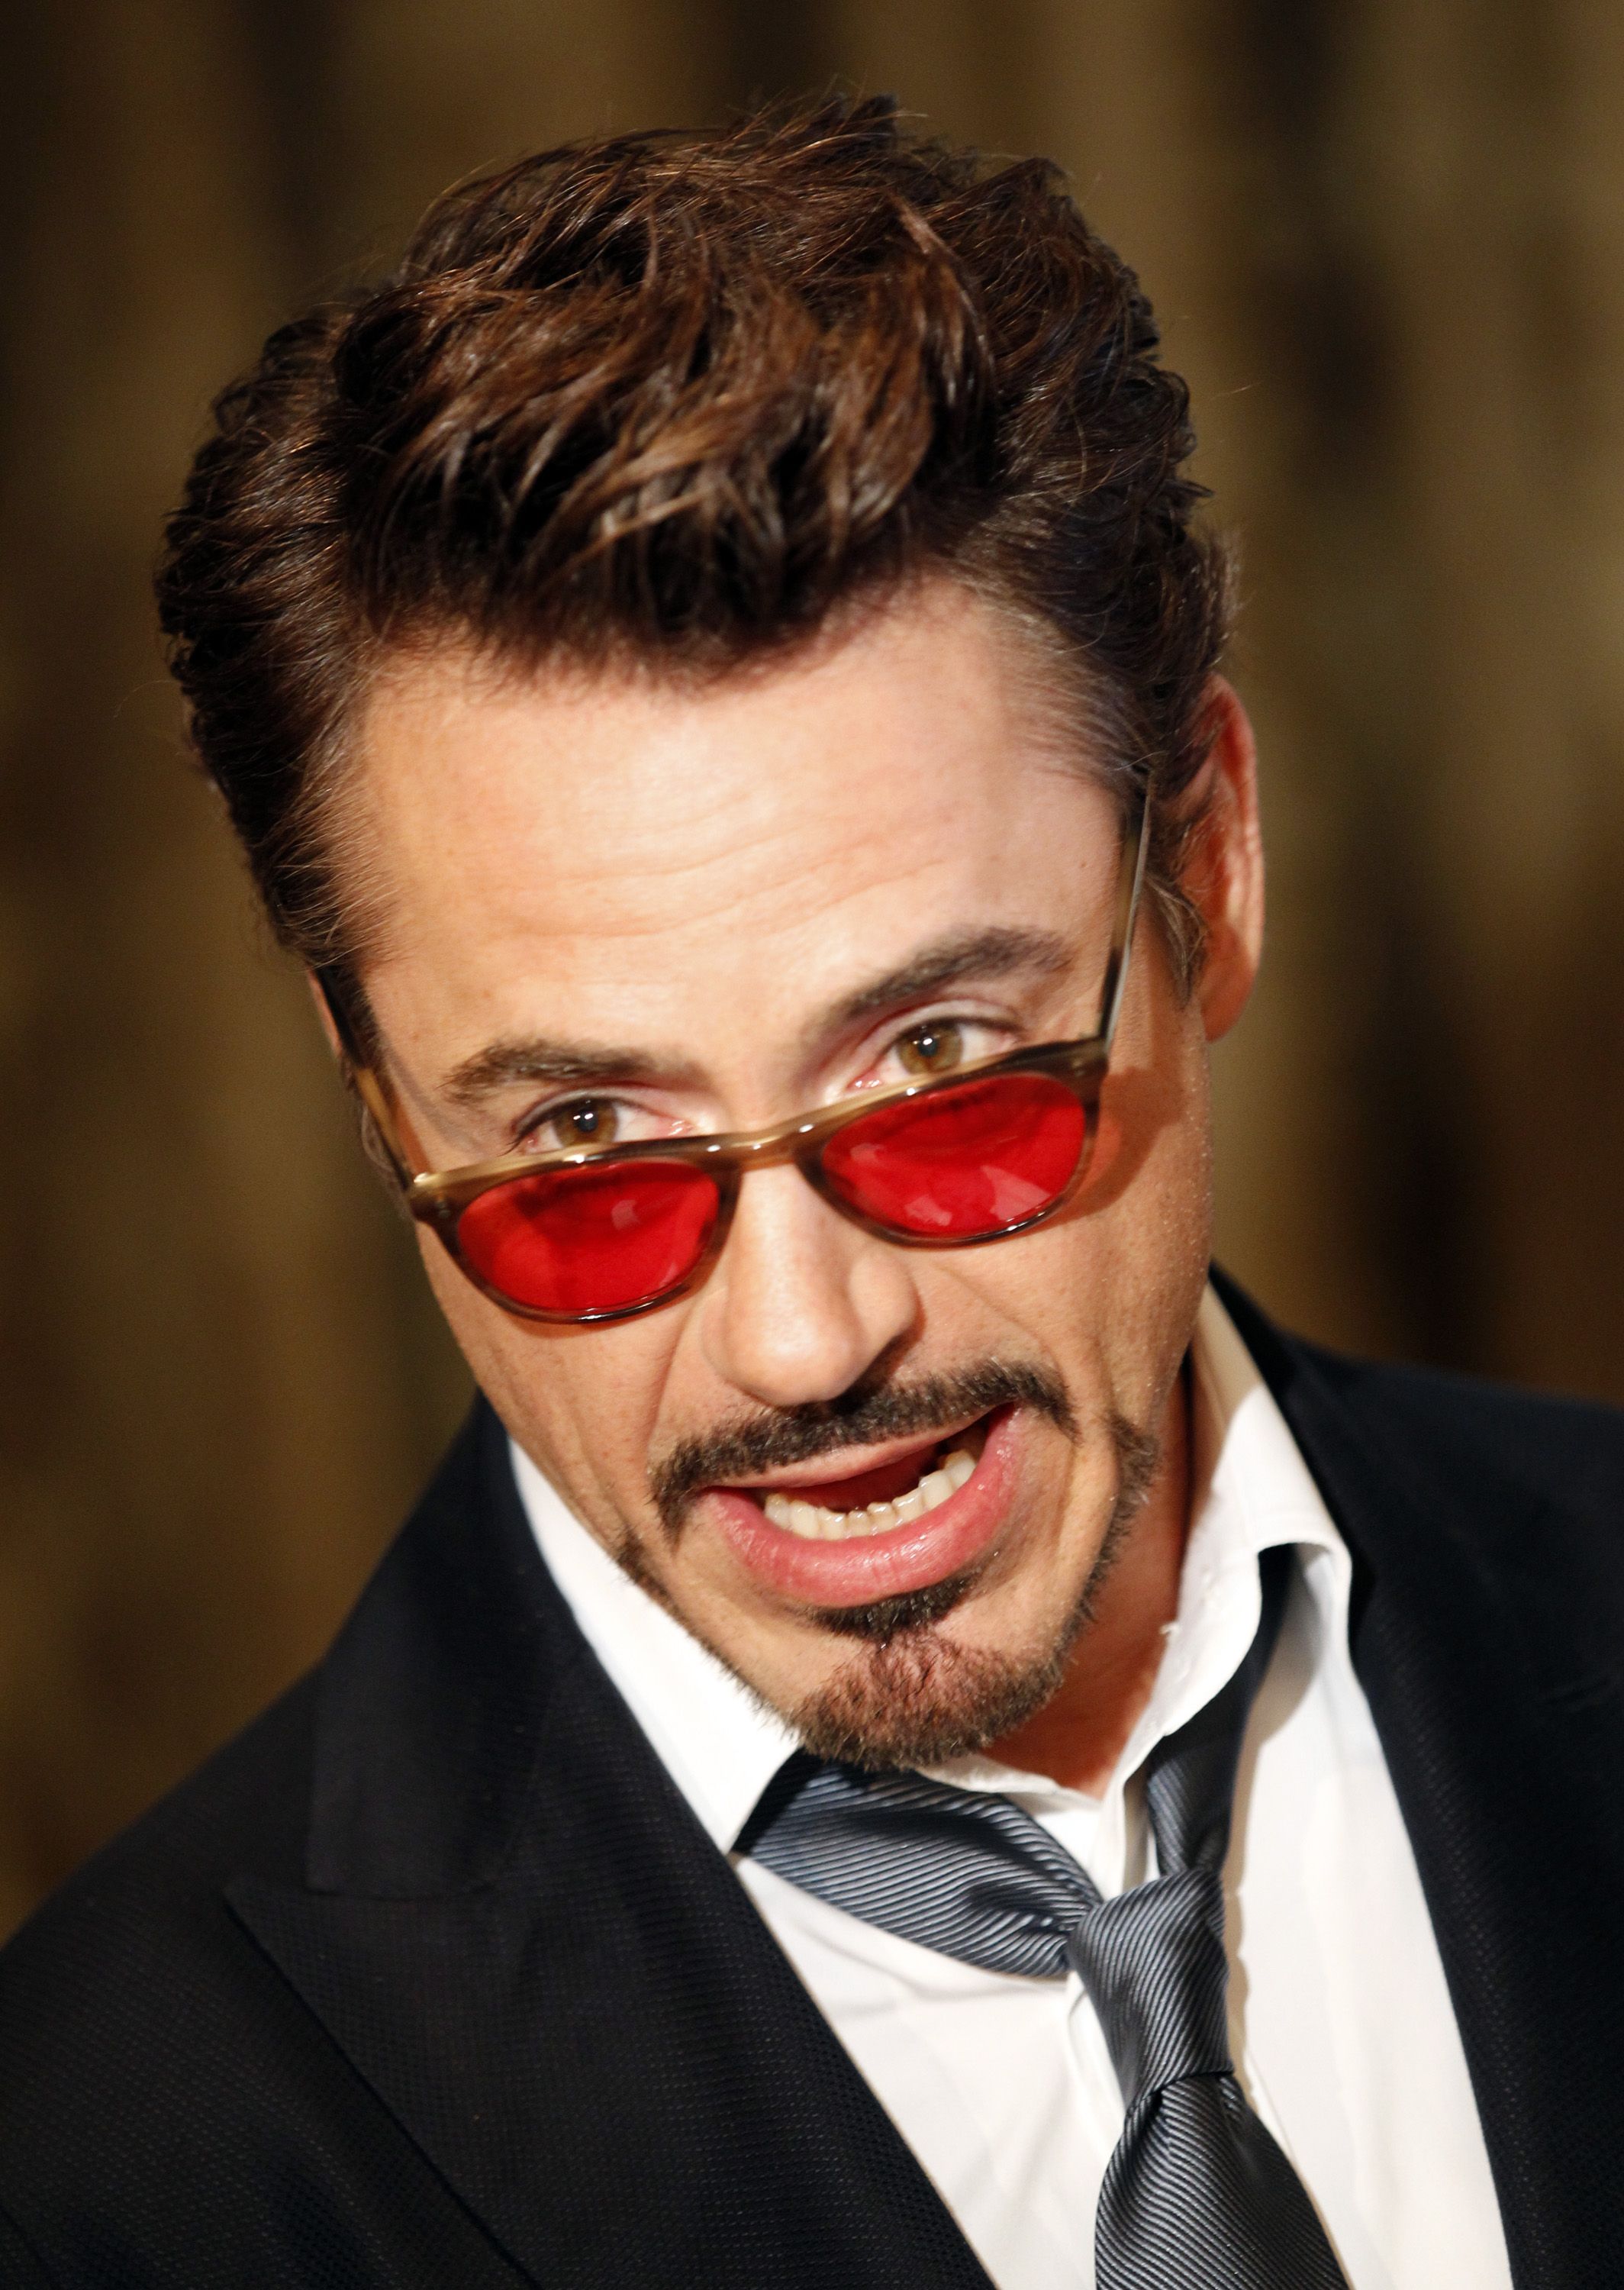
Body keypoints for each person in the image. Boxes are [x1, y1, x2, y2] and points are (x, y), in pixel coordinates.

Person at [0, 94, 1618, 2290]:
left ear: (1214, 869)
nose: (803, 1341)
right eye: (586, 1146)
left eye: (937, 1064)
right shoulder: (103, 2176)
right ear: (371, 1096)